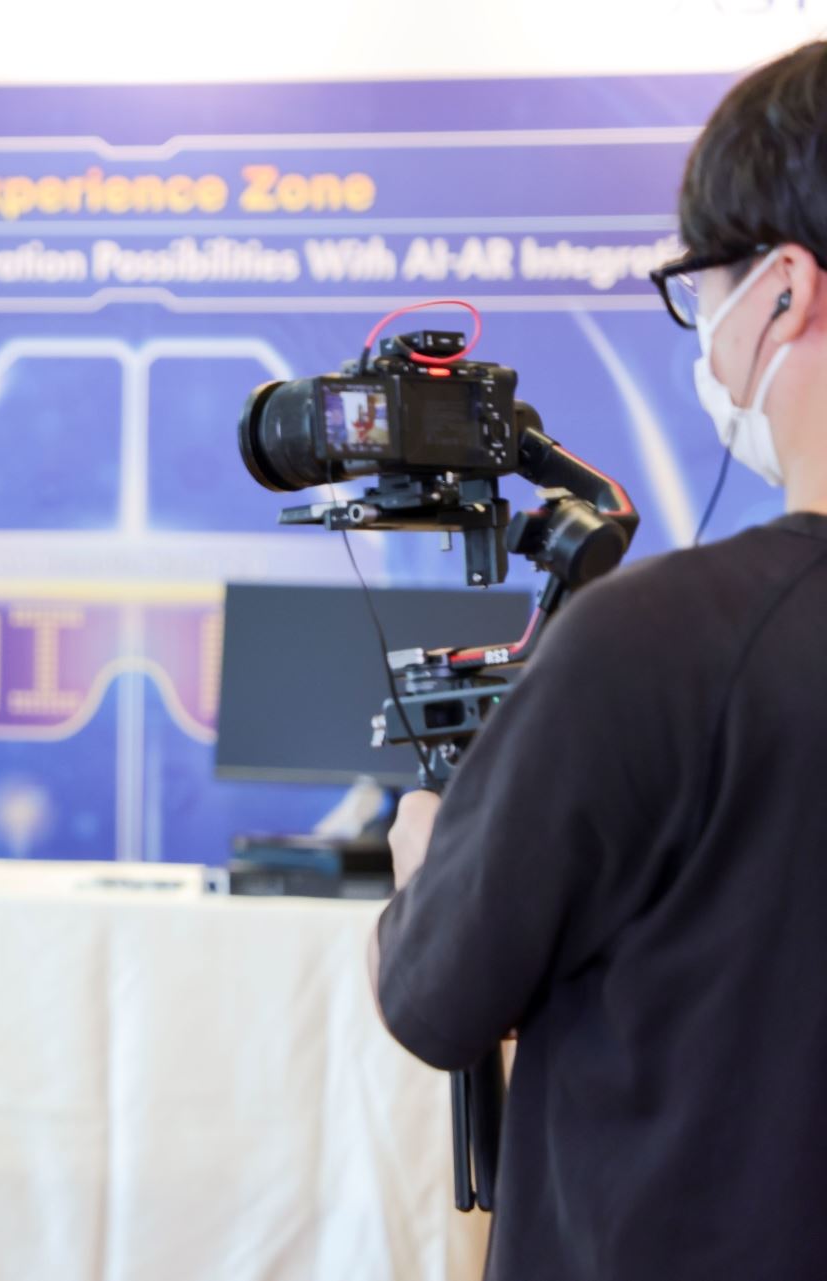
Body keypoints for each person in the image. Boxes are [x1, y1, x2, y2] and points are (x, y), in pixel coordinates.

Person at [372, 42, 827, 1280]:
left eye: (700, 286)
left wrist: (426, 860)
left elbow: (438, 997)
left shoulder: (655, 643)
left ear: (784, 290)